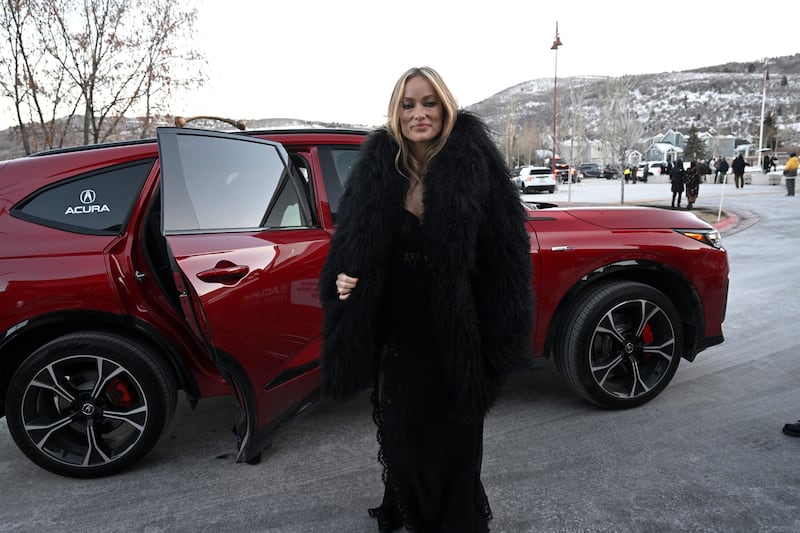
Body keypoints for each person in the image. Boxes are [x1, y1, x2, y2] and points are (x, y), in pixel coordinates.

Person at [319, 66, 534, 533]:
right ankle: (412, 512)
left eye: (428, 102)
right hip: (397, 333)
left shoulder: (473, 160)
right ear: (396, 113)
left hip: (459, 328)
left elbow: (507, 255)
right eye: (408, 104)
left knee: (456, 440)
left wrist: (500, 337)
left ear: (445, 105)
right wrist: (342, 282)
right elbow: (351, 247)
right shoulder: (378, 167)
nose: (419, 113)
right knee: (405, 439)